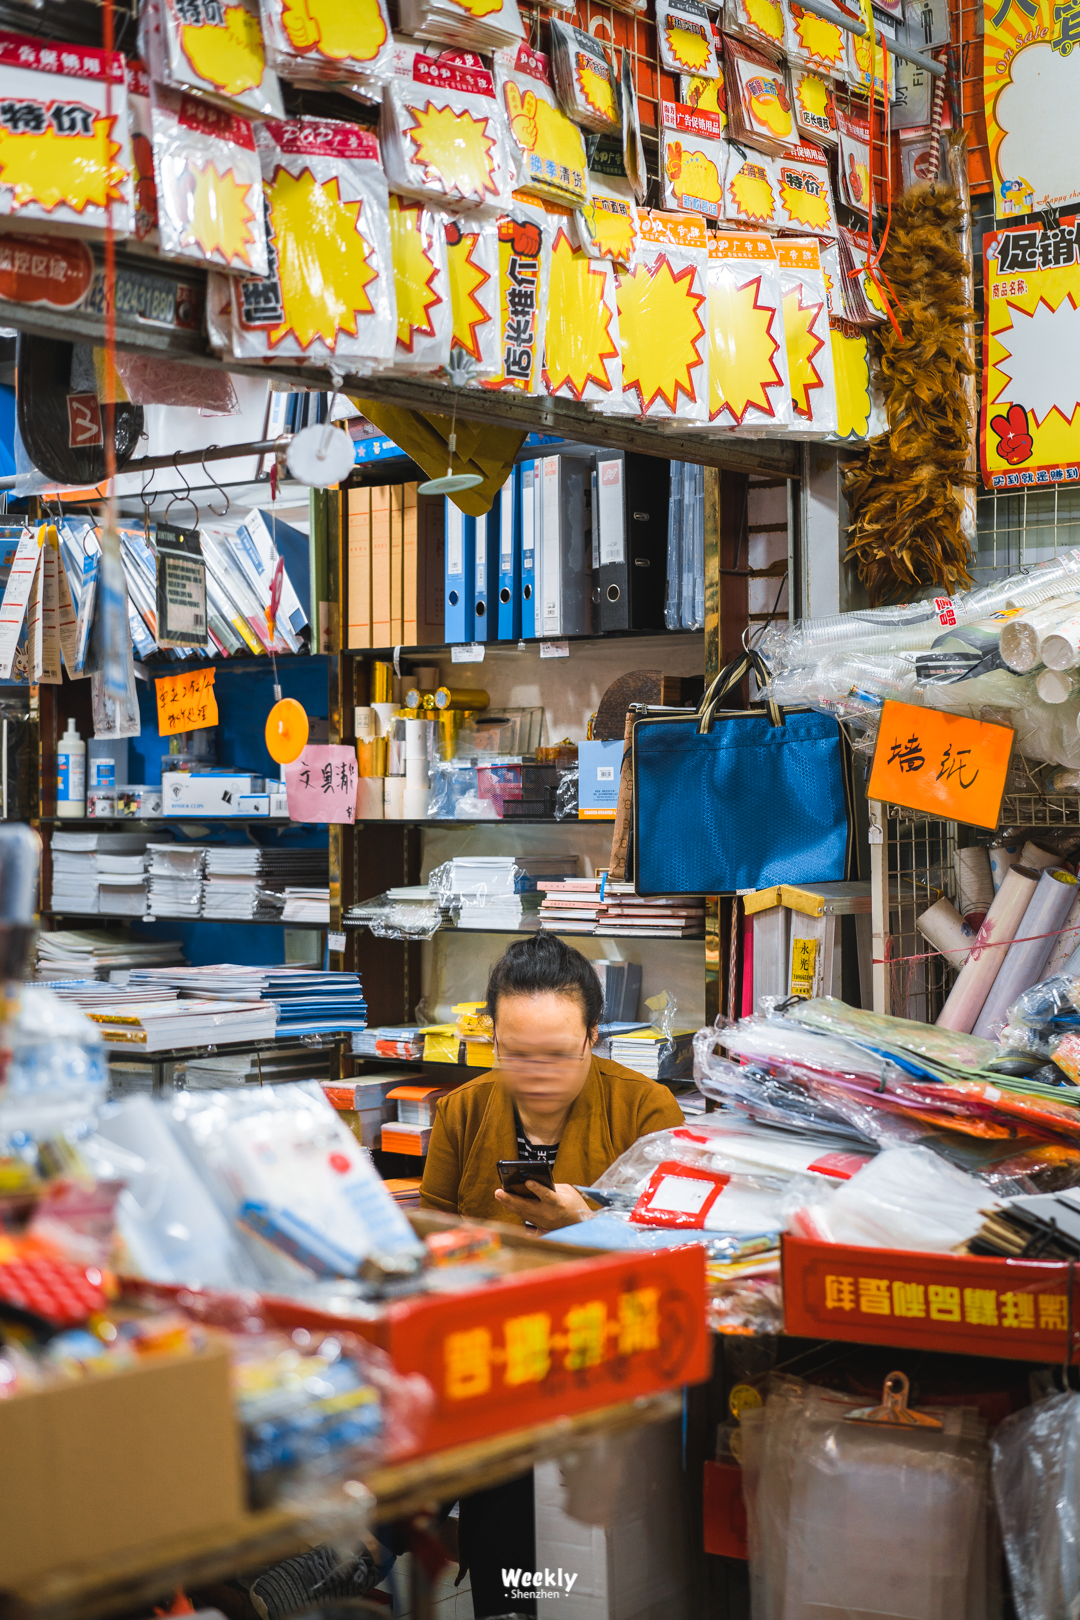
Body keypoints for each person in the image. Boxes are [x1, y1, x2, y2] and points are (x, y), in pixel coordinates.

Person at [420, 935, 685, 1618]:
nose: (536, 1073)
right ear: (492, 1040)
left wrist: (586, 1228)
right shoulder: (464, 1111)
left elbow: (682, 1257)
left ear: (594, 1038)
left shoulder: (647, 1111)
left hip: (607, 1354)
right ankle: (501, 1596)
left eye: (557, 1054)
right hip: (494, 1353)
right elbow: (433, 1238)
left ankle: (386, 1547)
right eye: (516, 1054)